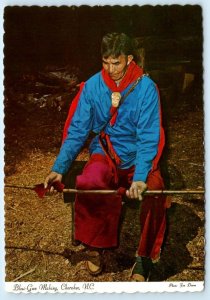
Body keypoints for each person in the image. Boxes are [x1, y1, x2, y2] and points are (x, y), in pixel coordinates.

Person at [44, 32, 169, 281]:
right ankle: (94, 247)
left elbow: (148, 137)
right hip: (106, 149)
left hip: (137, 155)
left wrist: (141, 176)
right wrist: (60, 167)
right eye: (105, 62)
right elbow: (78, 130)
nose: (110, 69)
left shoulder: (146, 88)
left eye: (117, 63)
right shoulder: (93, 86)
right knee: (90, 182)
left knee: (155, 191)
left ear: (130, 59)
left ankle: (143, 257)